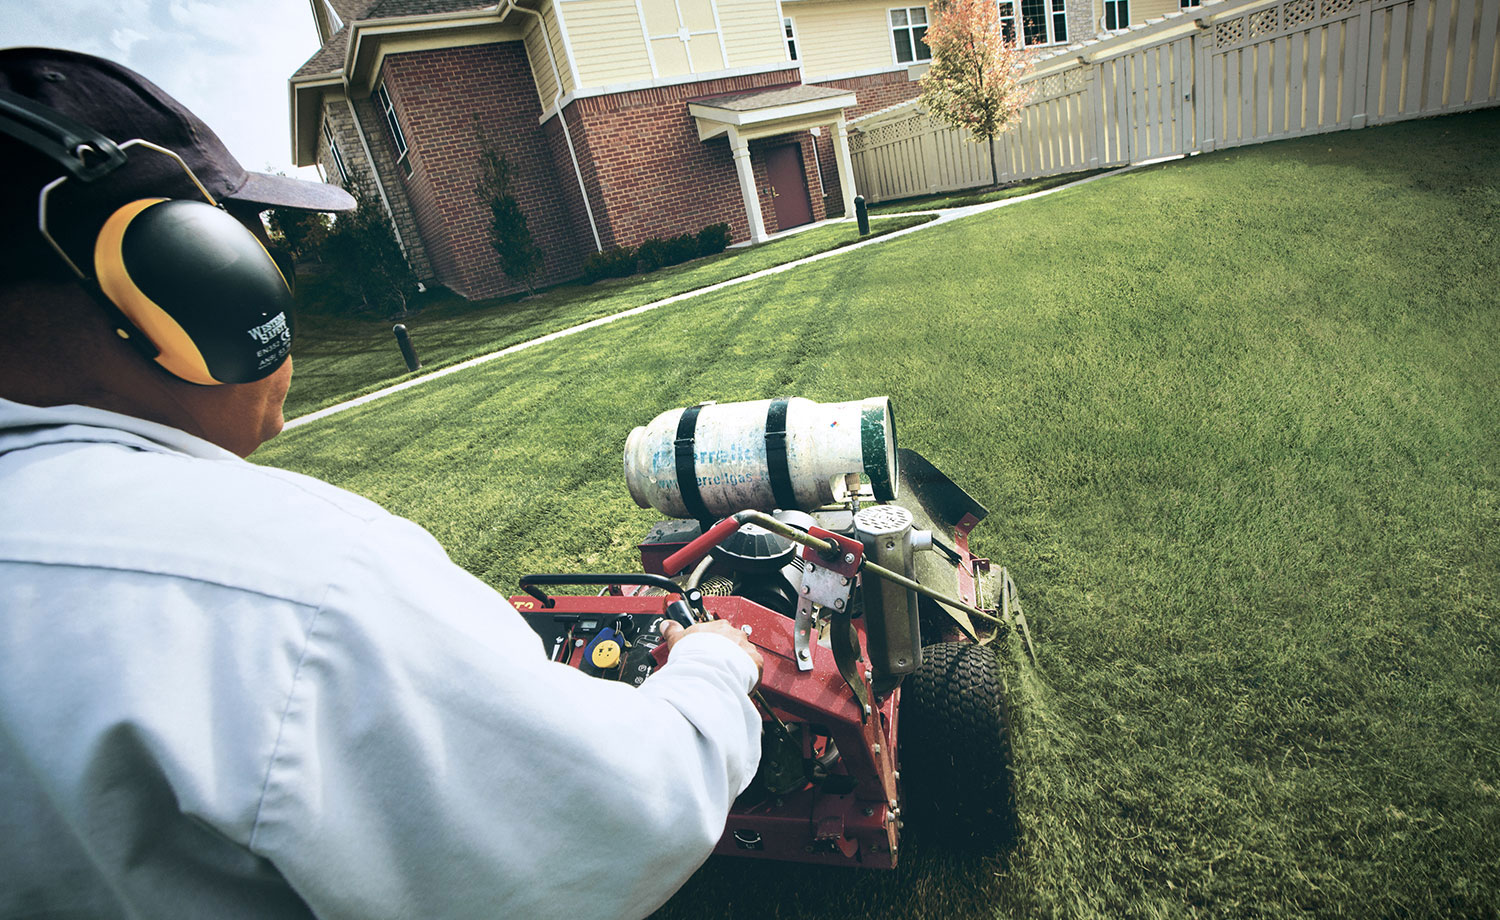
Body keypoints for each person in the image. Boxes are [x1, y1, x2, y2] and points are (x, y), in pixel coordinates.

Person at [0, 47, 764, 920]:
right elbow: (624, 816)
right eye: (243, 236)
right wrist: (710, 670)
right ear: (180, 270)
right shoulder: (295, 587)